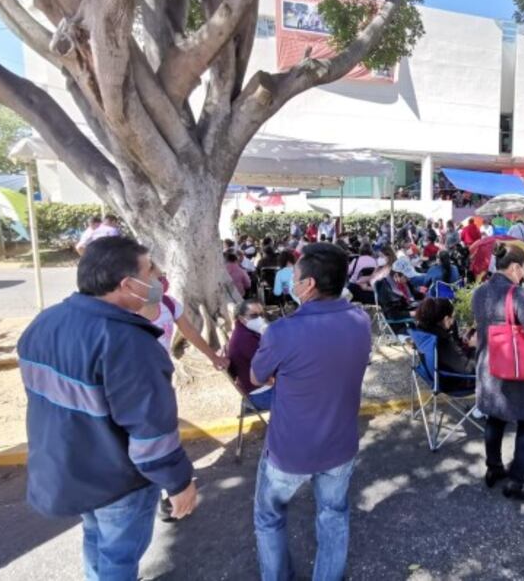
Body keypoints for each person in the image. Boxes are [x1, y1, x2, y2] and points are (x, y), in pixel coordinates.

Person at [17, 236, 197, 579]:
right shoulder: (128, 343)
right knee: (119, 558)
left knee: (96, 540)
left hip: (72, 469)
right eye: (151, 270)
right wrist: (179, 483)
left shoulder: (44, 323)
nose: (158, 278)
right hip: (117, 480)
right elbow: (151, 433)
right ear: (128, 284)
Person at [252, 243, 371, 580]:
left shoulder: (281, 331)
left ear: (310, 285)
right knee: (333, 517)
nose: (292, 281)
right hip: (340, 445)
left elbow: (255, 376)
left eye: (296, 277)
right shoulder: (360, 319)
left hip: (289, 450)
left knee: (269, 517)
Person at [471, 243, 524, 501]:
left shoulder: (479, 292)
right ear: (515, 267)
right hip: (514, 367)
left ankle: (493, 469)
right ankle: (516, 482)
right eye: (523, 270)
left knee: (495, 418)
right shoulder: (516, 294)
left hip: (487, 366)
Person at [139, 264, 229, 369]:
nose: (164, 283)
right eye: (159, 279)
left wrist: (214, 357)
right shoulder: (123, 315)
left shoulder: (169, 304)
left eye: (163, 276)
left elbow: (190, 332)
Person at [415, 298, 477, 390]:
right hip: (459, 382)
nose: (452, 322)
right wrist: (474, 347)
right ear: (446, 318)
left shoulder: (425, 333)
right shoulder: (442, 340)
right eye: (452, 317)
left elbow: (452, 356)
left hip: (438, 377)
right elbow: (469, 370)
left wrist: (460, 342)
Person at [227, 299, 269, 394]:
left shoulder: (246, 332)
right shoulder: (244, 338)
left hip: (259, 386)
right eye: (254, 315)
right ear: (241, 318)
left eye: (262, 315)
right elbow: (266, 364)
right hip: (259, 391)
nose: (260, 319)